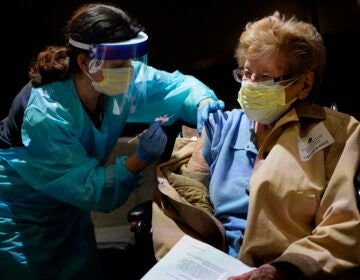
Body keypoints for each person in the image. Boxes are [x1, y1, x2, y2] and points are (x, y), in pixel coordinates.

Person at [0, 3, 223, 280]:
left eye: (130, 63)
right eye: (119, 64)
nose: (129, 71)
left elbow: (176, 88)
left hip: (70, 213)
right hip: (18, 215)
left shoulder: (114, 80)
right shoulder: (47, 112)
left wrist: (202, 101)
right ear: (84, 62)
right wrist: (139, 159)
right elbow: (91, 189)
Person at [151, 10, 359, 280]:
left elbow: (344, 225)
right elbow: (180, 203)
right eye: (246, 73)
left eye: (264, 78)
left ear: (303, 85)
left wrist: (283, 270)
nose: (249, 85)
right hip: (216, 267)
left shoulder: (336, 133)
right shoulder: (221, 127)